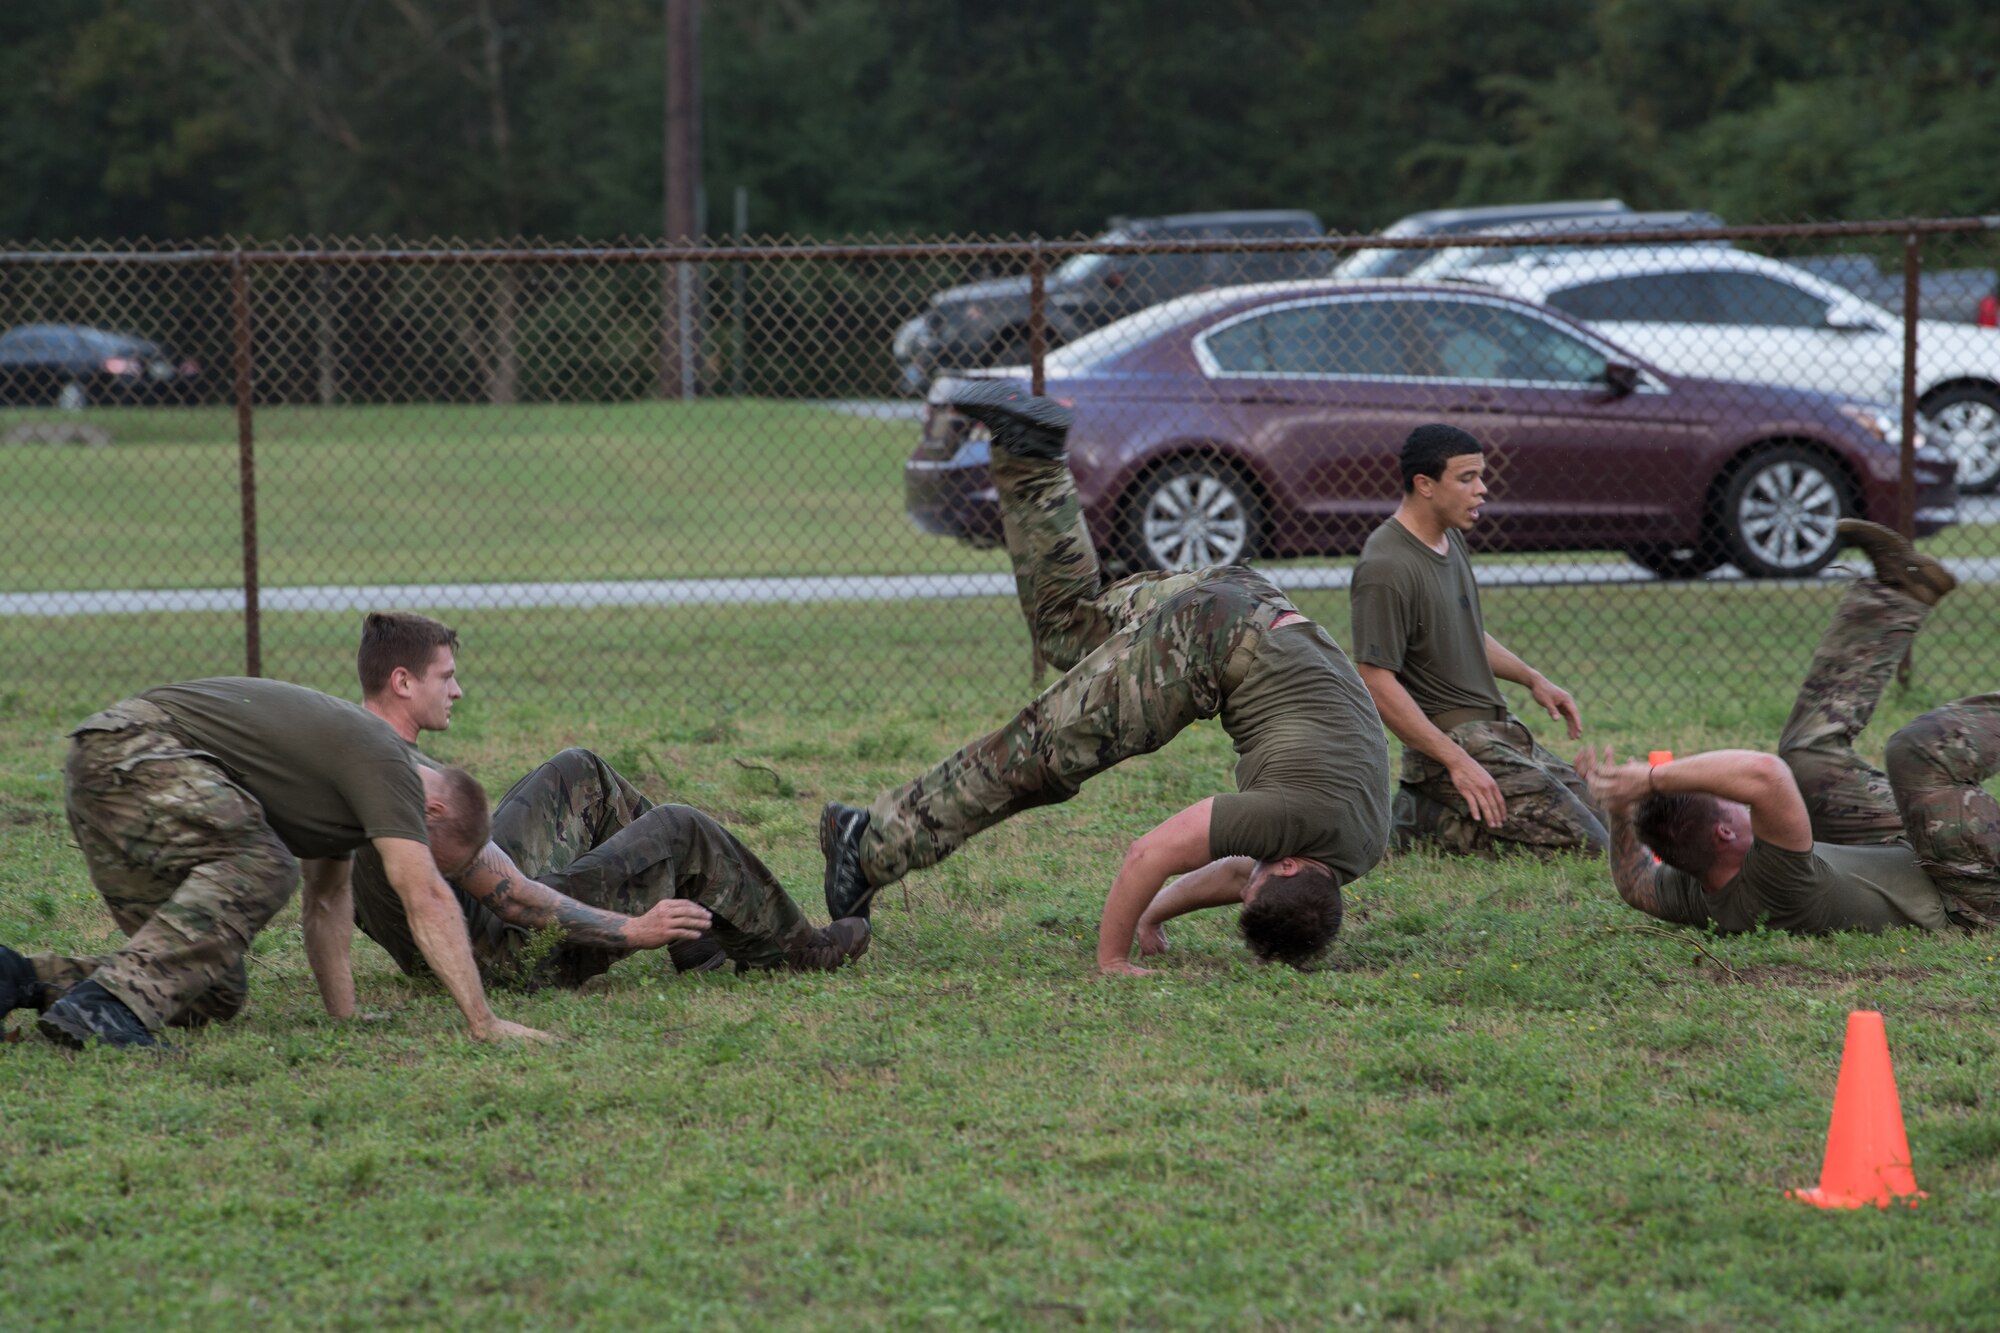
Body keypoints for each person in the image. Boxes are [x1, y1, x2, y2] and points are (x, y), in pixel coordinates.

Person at [819, 381, 1390, 974]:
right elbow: (1153, 852)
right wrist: (1113, 956)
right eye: (1261, 880)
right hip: (1210, 640)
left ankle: (1030, 452)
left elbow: (1236, 872)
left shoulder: (1358, 847)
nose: (1249, 877)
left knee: (1068, 626)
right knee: (1040, 758)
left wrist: (1155, 913)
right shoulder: (1291, 822)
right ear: (1294, 867)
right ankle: (869, 842)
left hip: (1249, 600)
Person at [0, 675, 548, 1048]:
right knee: (264, 861)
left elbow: (328, 901)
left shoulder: (348, 800)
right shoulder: (390, 765)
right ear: (431, 811)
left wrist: (345, 1017)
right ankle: (105, 1008)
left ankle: (17, 978)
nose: (419, 860)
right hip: (138, 749)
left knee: (209, 994)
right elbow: (424, 896)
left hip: (107, 774)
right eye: (432, 853)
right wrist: (484, 1022)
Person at [345, 612, 870, 985]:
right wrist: (634, 930)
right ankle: (798, 952)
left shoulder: (348, 754)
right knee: (679, 829)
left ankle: (695, 933)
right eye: (446, 676)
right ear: (402, 682)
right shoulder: (405, 783)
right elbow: (517, 901)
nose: (457, 690)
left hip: (458, 928)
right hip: (503, 953)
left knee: (579, 769)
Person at [1581, 520, 1996, 935]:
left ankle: (1900, 591)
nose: (1746, 807)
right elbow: (1765, 776)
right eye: (1735, 805)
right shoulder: (1774, 881)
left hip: (1901, 848)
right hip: (1968, 895)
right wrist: (1652, 780)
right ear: (1725, 833)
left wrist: (1620, 812)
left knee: (1806, 755)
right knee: (1914, 751)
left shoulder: (1696, 889)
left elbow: (1634, 884)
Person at [1349, 423, 1606, 858]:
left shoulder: (1449, 539)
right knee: (1590, 845)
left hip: (1498, 732)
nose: (1482, 490)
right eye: (1466, 478)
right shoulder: (1385, 566)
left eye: (1480, 476)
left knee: (1610, 815)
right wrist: (1454, 760)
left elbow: (1464, 630)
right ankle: (1432, 824)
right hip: (1455, 743)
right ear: (1425, 485)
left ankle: (1426, 812)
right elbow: (1376, 682)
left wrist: (1532, 678)